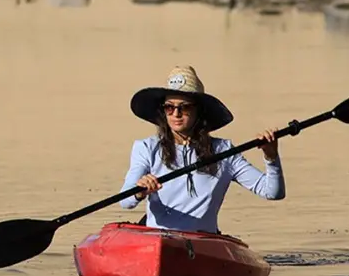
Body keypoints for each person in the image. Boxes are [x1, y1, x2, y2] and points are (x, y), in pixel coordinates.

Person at [119, 65, 285, 234]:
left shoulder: (224, 152)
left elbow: (272, 192)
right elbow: (125, 201)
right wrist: (139, 192)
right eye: (169, 107)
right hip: (157, 240)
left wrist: (271, 157)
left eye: (184, 107)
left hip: (203, 242)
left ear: (199, 111)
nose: (176, 114)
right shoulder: (146, 148)